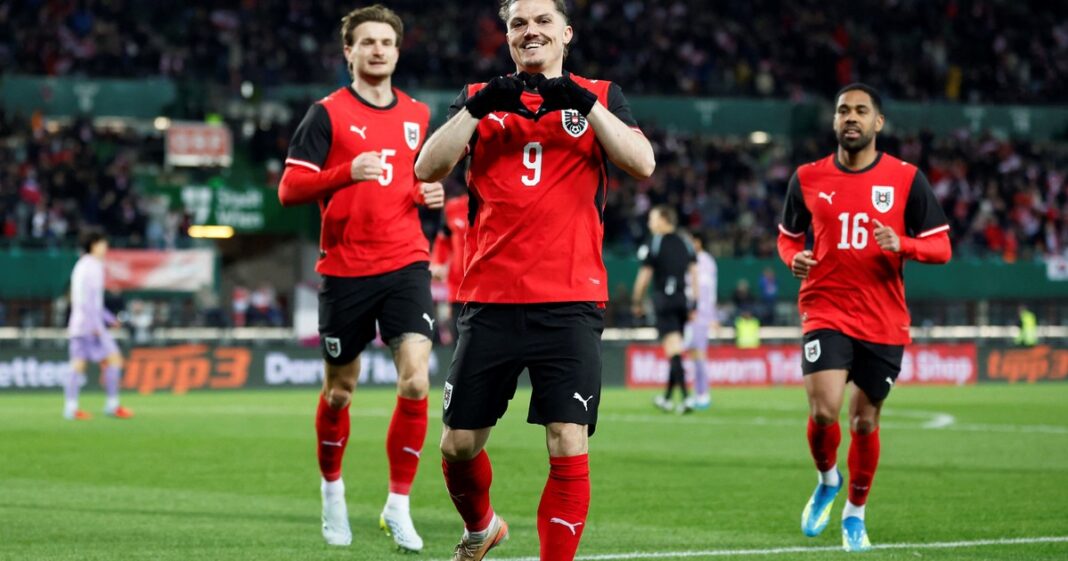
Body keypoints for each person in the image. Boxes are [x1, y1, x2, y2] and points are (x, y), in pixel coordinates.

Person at [414, 0, 655, 557]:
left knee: (567, 439)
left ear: (566, 33)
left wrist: (583, 102)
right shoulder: (478, 96)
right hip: (490, 297)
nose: (531, 31)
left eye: (544, 21)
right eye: (518, 23)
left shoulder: (601, 94)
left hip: (570, 300)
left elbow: (642, 162)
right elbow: (427, 167)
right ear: (506, 35)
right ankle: (482, 527)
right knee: (457, 445)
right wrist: (478, 107)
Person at [277, 4, 445, 552]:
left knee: (416, 380)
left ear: (397, 51)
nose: (378, 50)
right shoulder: (325, 114)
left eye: (387, 42)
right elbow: (289, 190)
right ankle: (332, 492)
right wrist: (344, 172)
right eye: (368, 42)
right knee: (339, 392)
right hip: (346, 269)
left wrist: (425, 193)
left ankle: (398, 505)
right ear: (348, 51)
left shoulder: (418, 114)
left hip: (405, 261)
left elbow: (409, 180)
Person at [777, 83, 951, 552]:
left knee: (864, 422)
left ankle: (855, 512)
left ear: (878, 122)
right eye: (842, 110)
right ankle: (827, 479)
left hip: (882, 318)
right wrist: (793, 257)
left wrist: (904, 244)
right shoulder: (807, 178)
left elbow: (941, 246)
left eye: (860, 110)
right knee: (823, 409)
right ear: (834, 121)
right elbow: (788, 236)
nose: (850, 117)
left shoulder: (906, 178)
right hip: (825, 307)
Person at [631, 205, 698, 414]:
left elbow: (644, 277)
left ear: (663, 219)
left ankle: (686, 397)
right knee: (674, 347)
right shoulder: (685, 242)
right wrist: (695, 303)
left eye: (652, 218)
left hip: (664, 301)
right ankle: (667, 399)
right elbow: (694, 274)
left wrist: (637, 301)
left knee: (673, 349)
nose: (649, 223)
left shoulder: (655, 242)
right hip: (682, 300)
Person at [64, 228, 133, 421]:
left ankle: (71, 407)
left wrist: (109, 319)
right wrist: (96, 325)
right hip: (90, 325)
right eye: (103, 243)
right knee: (114, 359)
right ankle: (112, 405)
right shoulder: (93, 266)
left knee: (78, 363)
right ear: (94, 245)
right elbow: (89, 302)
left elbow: (88, 301)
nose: (106, 247)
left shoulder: (81, 265)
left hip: (79, 324)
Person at [684, 231, 718, 410]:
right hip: (688, 314)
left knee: (699, 354)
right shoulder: (687, 260)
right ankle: (698, 392)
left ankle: (703, 394)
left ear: (698, 242)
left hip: (700, 314)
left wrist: (712, 316)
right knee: (692, 354)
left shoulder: (706, 262)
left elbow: (710, 292)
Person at [430, 192, 470, 342]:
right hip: (458, 287)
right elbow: (443, 238)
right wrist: (438, 262)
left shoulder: (497, 205)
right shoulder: (453, 207)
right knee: (459, 341)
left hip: (488, 290)